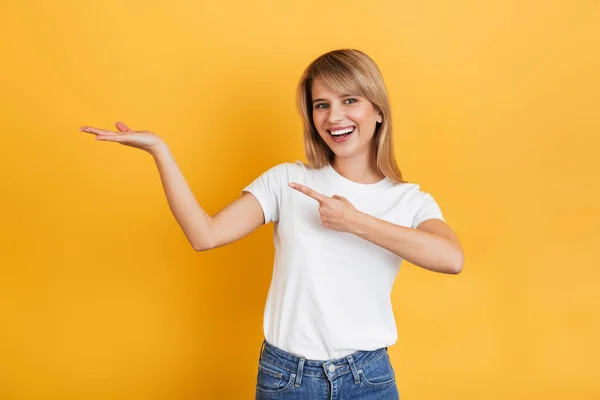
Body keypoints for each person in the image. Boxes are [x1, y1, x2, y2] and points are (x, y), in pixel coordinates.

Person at [80, 48, 464, 400]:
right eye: (321, 105)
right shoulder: (287, 181)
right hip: (287, 379)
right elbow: (205, 235)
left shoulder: (409, 200)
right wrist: (159, 152)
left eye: (350, 100)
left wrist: (356, 222)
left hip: (369, 380)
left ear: (378, 110)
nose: (334, 117)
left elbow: (451, 258)